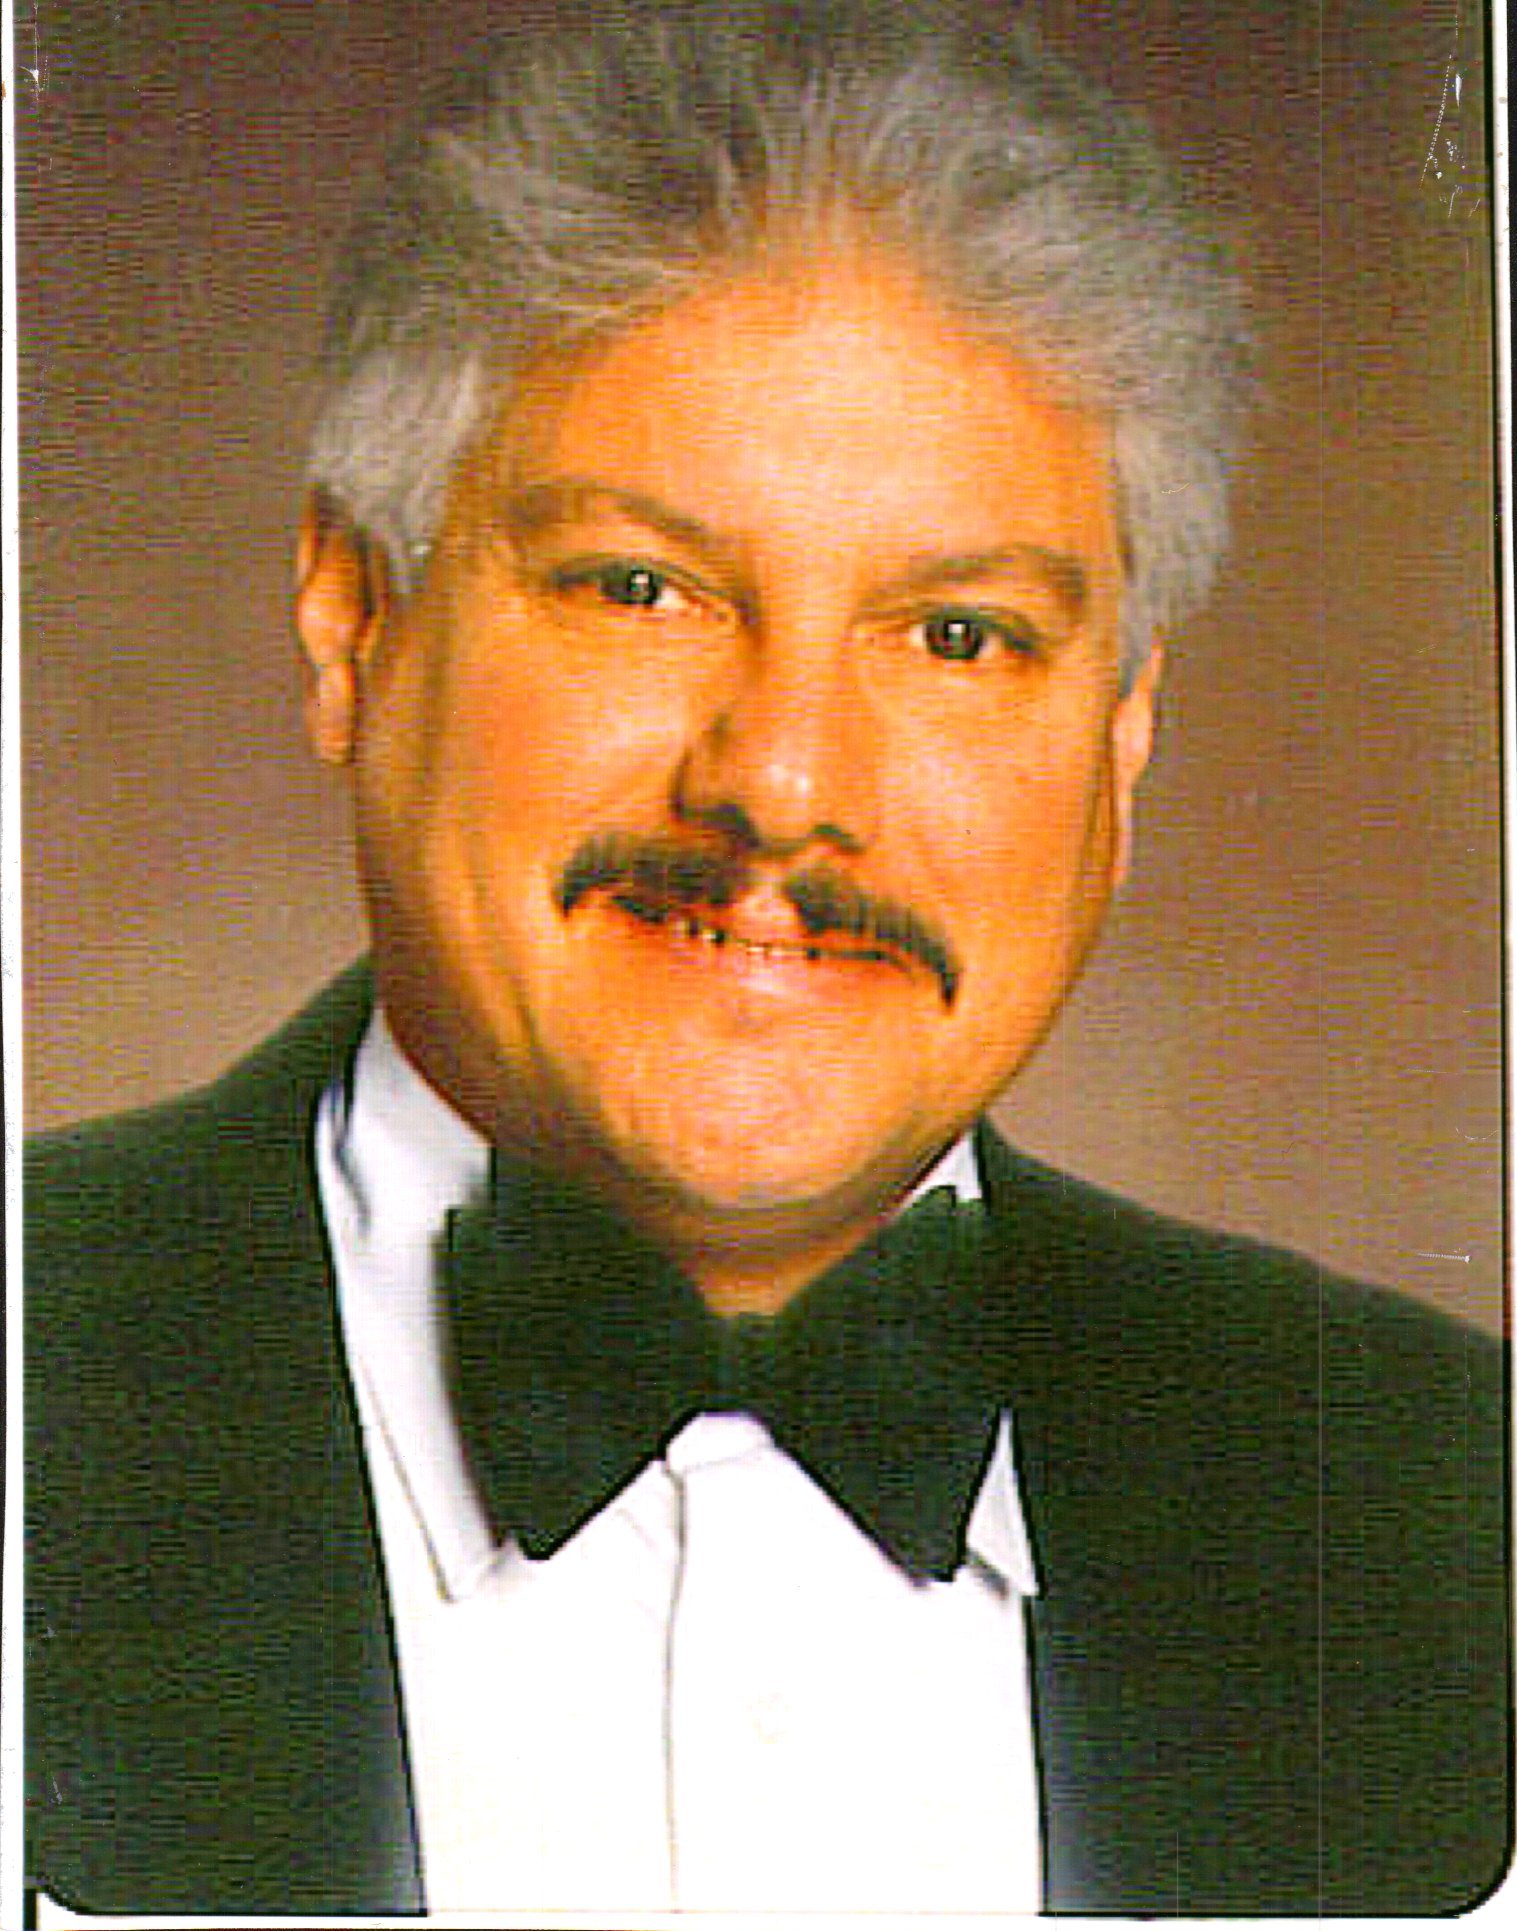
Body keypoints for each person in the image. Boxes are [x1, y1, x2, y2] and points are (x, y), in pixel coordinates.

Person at [25, 0, 1508, 1918]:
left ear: (1122, 733)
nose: (785, 782)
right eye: (639, 587)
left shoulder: (1440, 1504)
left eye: (958, 636)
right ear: (351, 621)